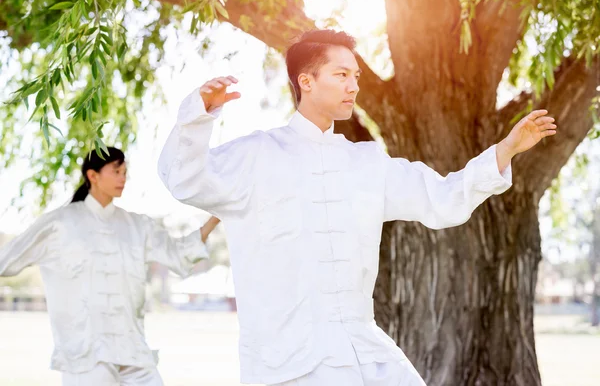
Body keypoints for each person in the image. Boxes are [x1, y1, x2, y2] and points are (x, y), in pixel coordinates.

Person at [157, 30, 557, 386]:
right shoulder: (257, 155)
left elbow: (443, 200)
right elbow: (185, 179)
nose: (353, 86)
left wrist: (504, 152)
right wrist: (198, 115)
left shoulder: (367, 163)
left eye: (356, 76)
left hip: (363, 352)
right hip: (286, 362)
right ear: (307, 81)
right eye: (341, 75)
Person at [0, 147, 219, 385]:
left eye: (125, 172)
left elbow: (178, 254)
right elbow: (8, 259)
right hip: (85, 355)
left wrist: (216, 215)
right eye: (116, 171)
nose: (122, 177)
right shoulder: (59, 223)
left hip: (133, 353)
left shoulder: (137, 225)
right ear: (92, 176)